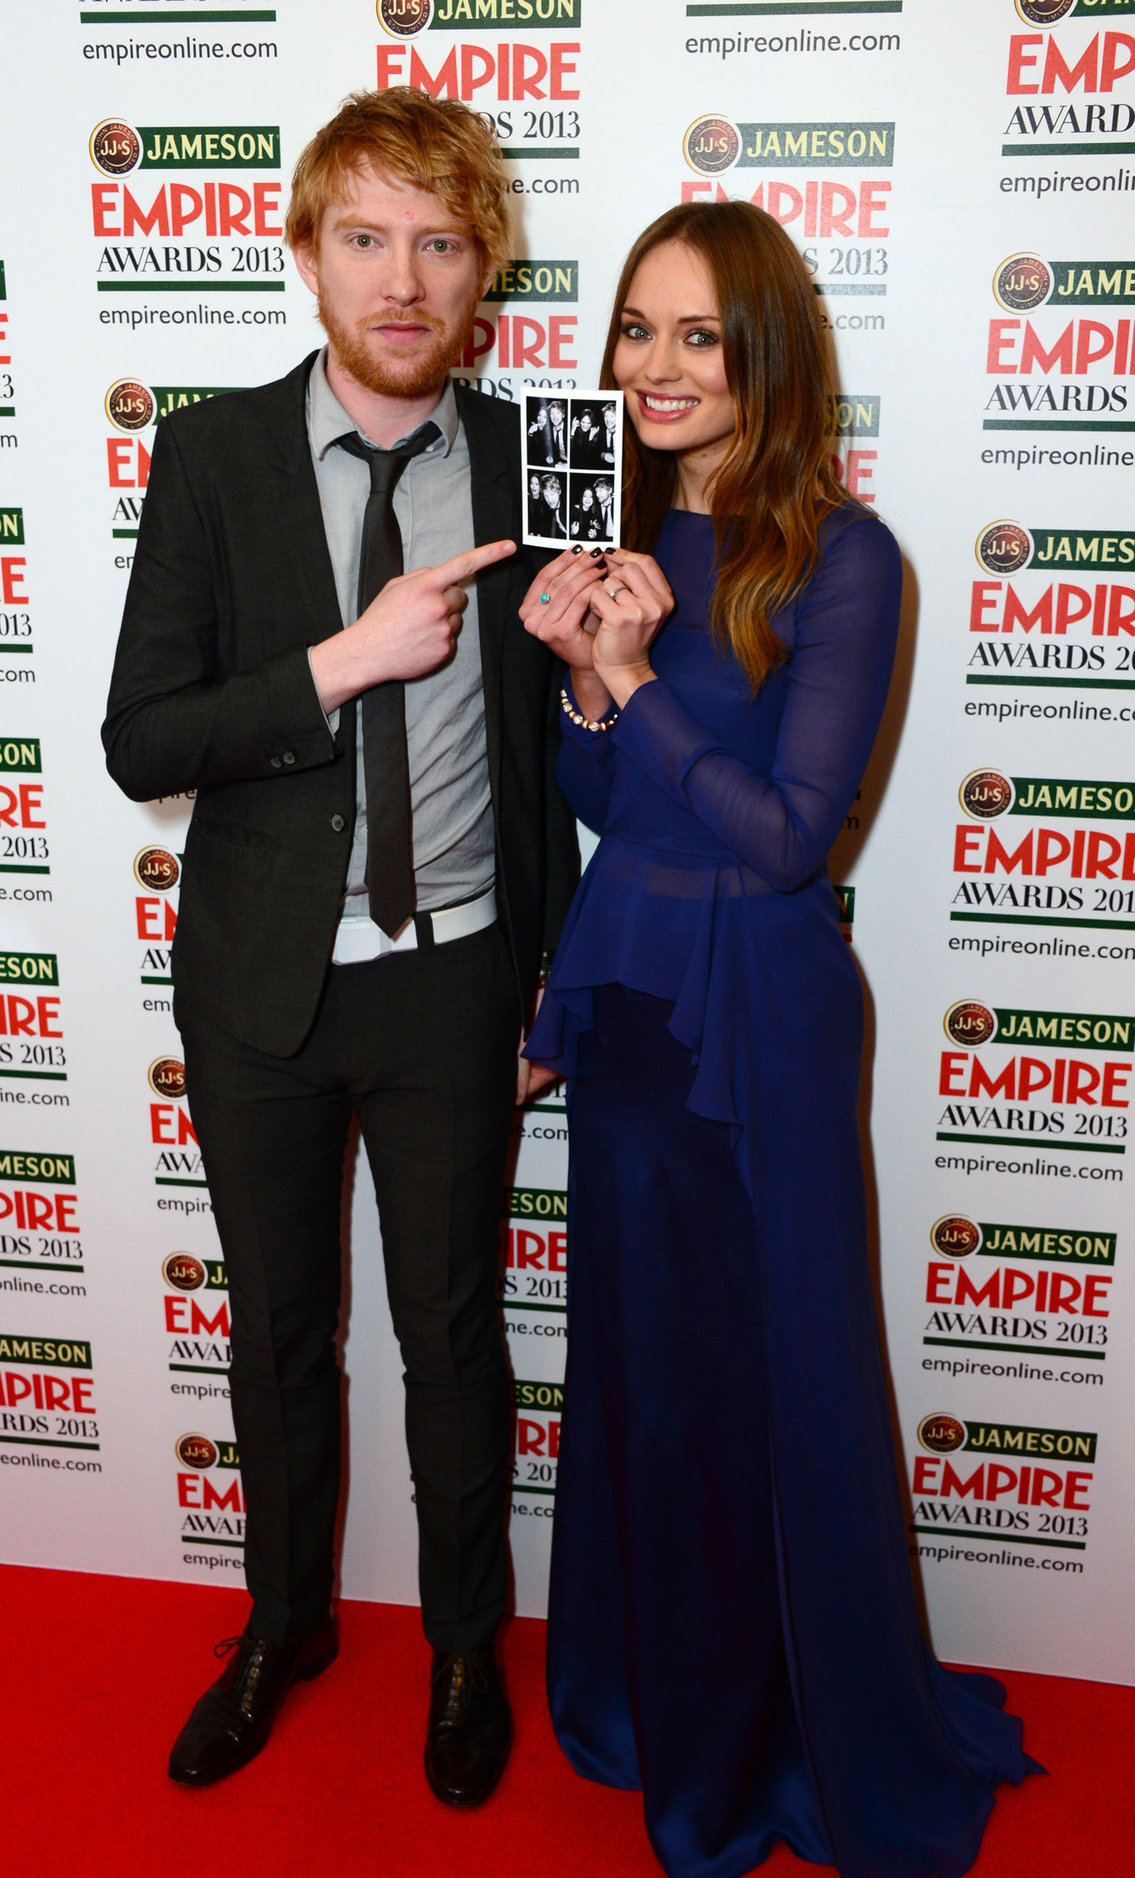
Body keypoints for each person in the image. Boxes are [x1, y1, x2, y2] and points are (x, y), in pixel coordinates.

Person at [520, 201, 1037, 1878]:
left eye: (699, 337)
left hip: (764, 1017)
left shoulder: (843, 556)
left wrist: (637, 676)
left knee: (767, 1378)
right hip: (636, 1015)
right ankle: (652, 1687)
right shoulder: (610, 535)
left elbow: (790, 836)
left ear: (767, 355)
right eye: (636, 331)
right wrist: (591, 691)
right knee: (652, 1384)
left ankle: (782, 1734)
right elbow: (606, 805)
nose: (655, 369)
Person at [102, 88, 578, 1806]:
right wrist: (340, 659)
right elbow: (141, 737)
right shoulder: (215, 455)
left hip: (461, 974)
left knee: (456, 1332)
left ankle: (464, 1645)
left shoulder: (545, 455)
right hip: (260, 987)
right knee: (275, 1327)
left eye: (440, 243)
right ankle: (282, 1624)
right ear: (306, 253)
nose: (402, 279)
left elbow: (567, 759)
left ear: (482, 273)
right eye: (365, 236)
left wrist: (606, 663)